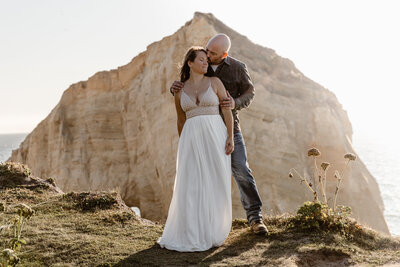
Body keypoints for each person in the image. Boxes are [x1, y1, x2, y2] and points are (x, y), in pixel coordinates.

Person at [170, 34, 268, 235]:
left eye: (212, 53)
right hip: (202, 133)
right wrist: (175, 88)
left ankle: (255, 218)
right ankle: (203, 223)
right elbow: (187, 89)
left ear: (224, 54)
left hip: (229, 128)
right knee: (203, 175)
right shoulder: (200, 63)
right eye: (206, 49)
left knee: (240, 168)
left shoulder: (237, 68)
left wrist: (236, 103)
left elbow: (250, 92)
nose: (207, 55)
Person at [157, 46, 234, 252]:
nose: (205, 63)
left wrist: (230, 137)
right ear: (189, 63)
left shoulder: (215, 82)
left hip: (215, 136)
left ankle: (213, 230)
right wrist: (184, 143)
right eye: (200, 59)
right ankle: (192, 231)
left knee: (215, 180)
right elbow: (180, 119)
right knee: (192, 184)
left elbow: (227, 111)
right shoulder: (179, 89)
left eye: (206, 60)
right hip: (190, 139)